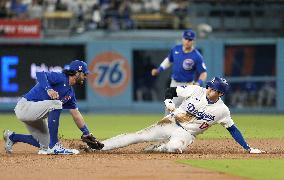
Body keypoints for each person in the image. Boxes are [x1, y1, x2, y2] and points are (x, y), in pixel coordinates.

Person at [97, 77, 265, 154]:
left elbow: (233, 129)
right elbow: (170, 90)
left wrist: (248, 148)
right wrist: (168, 101)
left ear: (220, 94)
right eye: (210, 87)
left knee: (173, 148)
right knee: (137, 136)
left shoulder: (222, 111)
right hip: (170, 122)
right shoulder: (196, 90)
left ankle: (158, 148)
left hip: (187, 133)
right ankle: (99, 146)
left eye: (214, 90)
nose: (210, 90)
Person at [3, 60, 104, 155]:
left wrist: (86, 133)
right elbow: (40, 74)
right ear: (77, 72)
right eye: (84, 73)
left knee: (45, 144)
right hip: (25, 107)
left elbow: (76, 114)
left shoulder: (70, 93)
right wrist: (49, 89)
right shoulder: (61, 77)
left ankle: (12, 137)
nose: (85, 76)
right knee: (56, 103)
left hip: (36, 112)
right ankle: (54, 146)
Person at [151, 29, 207, 114]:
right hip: (175, 84)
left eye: (190, 39)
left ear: (193, 41)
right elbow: (169, 60)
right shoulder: (176, 49)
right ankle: (167, 127)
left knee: (188, 113)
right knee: (169, 109)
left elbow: (203, 73)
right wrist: (159, 69)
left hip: (188, 86)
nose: (187, 41)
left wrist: (198, 83)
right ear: (182, 39)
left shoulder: (197, 56)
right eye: (186, 38)